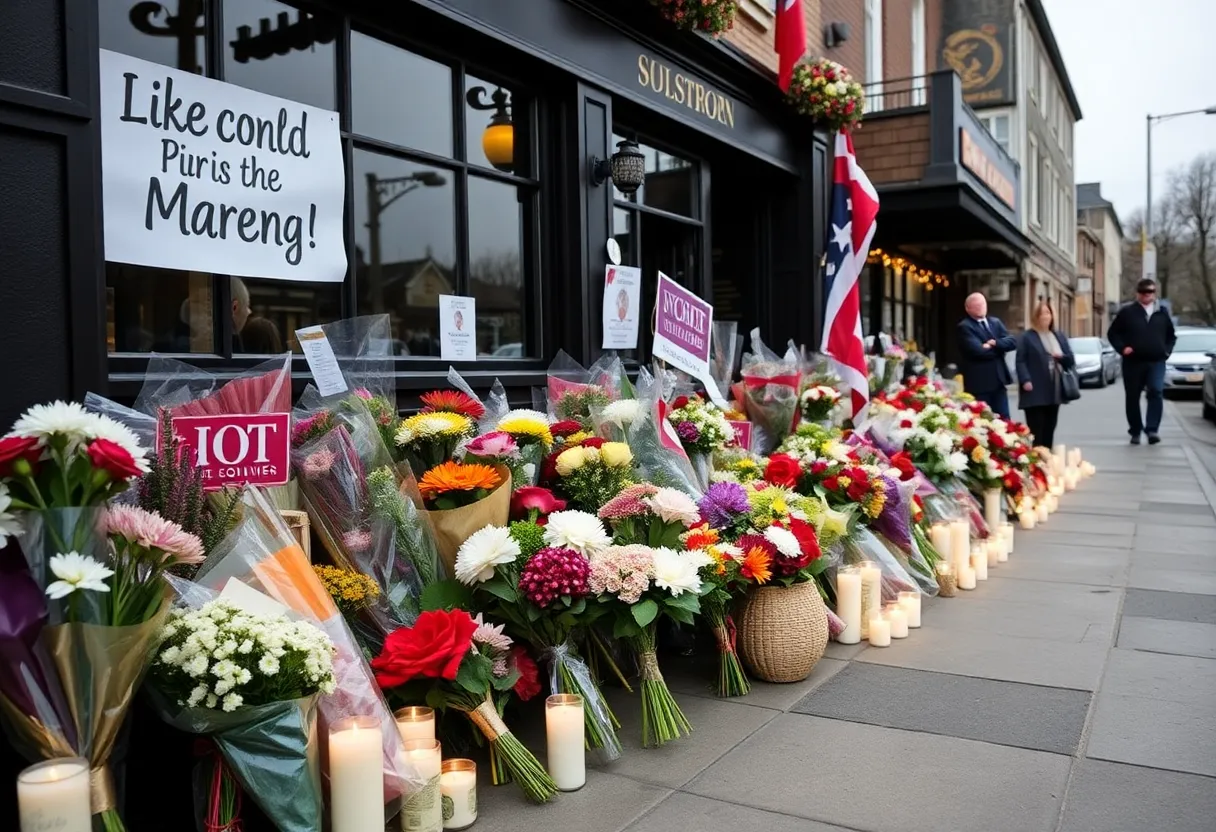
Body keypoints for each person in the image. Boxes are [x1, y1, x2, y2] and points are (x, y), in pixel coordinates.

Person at [1106, 278, 1176, 445]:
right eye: (1144, 292)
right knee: (1132, 397)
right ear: (1138, 294)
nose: (1147, 295)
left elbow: (1171, 336)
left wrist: (1166, 351)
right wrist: (1122, 348)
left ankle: (1152, 430)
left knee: (1156, 391)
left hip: (1156, 361)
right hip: (1133, 362)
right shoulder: (1127, 312)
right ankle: (1135, 430)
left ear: (1154, 293)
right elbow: (1113, 334)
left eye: (1150, 292)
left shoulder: (1162, 312)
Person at [1016, 301, 1075, 449]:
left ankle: (1048, 460)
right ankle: (1036, 461)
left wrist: (1060, 357)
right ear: (1036, 317)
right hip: (1034, 390)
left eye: (1048, 313)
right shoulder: (1027, 337)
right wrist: (1025, 380)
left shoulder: (1058, 336)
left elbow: (1070, 360)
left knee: (1050, 427)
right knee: (1037, 430)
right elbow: (1020, 361)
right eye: (1041, 313)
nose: (1045, 317)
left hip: (1054, 389)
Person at [957, 292, 1017, 418]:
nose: (981, 307)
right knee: (982, 422)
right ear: (968, 309)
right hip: (979, 384)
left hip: (999, 382)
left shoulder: (995, 322)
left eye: (982, 304)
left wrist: (994, 343)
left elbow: (1012, 342)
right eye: (976, 305)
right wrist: (1000, 348)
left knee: (1004, 421)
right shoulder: (965, 327)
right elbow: (978, 351)